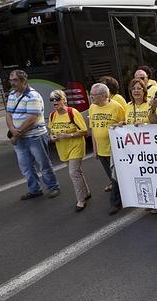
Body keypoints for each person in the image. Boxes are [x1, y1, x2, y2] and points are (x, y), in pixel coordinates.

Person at [6, 70, 60, 200]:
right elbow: (8, 114)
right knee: (26, 166)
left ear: (23, 81)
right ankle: (34, 189)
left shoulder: (33, 96)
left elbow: (32, 119)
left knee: (43, 164)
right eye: (11, 80)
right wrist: (12, 128)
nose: (12, 83)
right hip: (19, 137)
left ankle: (53, 187)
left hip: (35, 136)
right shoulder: (12, 94)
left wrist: (15, 135)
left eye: (15, 80)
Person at [47, 90, 89, 211]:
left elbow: (84, 131)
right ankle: (86, 192)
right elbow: (51, 131)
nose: (55, 102)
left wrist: (68, 136)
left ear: (64, 100)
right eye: (52, 100)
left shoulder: (72, 112)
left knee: (73, 173)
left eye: (57, 99)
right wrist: (52, 137)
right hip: (63, 149)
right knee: (77, 171)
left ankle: (81, 200)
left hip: (76, 146)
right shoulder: (52, 115)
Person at [88, 83, 125, 214]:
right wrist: (95, 149)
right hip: (102, 150)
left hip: (114, 150)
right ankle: (123, 195)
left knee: (115, 178)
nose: (91, 98)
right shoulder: (92, 107)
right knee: (113, 177)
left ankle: (115, 203)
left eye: (94, 95)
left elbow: (125, 127)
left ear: (104, 95)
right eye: (91, 95)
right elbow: (93, 129)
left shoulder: (117, 107)